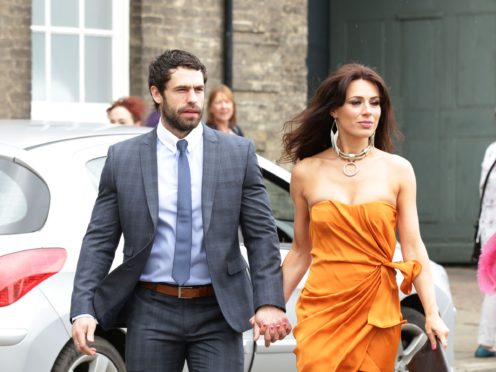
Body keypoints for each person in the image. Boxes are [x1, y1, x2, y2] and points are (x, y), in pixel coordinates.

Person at [70, 49, 290, 372]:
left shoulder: (237, 154)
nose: (193, 99)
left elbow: (261, 235)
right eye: (182, 90)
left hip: (218, 309)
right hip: (150, 309)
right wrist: (83, 308)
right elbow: (100, 240)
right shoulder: (123, 159)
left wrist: (269, 301)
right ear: (157, 94)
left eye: (199, 89)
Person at [280, 63, 449, 371]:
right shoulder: (305, 172)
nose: (367, 111)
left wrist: (432, 312)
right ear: (334, 109)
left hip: (376, 307)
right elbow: (300, 250)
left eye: (375, 103)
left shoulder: (398, 170)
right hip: (323, 307)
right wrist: (272, 305)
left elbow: (413, 247)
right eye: (356, 102)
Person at [475, 107, 496, 358]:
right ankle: (487, 341)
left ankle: (486, 341)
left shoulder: (491, 150)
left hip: (488, 227)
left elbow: (483, 192)